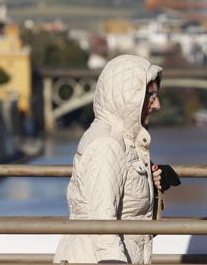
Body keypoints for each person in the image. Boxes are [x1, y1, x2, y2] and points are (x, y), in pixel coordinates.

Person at [54, 55, 167, 264]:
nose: (157, 104)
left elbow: (126, 204)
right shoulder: (107, 145)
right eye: (150, 95)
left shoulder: (125, 142)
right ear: (128, 97)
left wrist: (149, 181)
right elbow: (102, 223)